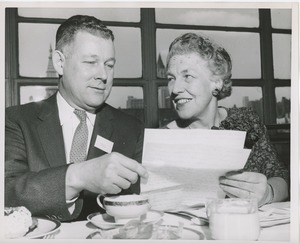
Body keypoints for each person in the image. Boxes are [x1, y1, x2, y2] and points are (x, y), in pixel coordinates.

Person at [5, 15, 148, 222]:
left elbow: (140, 203)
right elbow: (7, 192)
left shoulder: (131, 129)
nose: (103, 75)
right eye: (91, 62)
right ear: (59, 62)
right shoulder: (16, 120)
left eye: (109, 65)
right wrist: (78, 176)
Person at [164, 32, 289, 206]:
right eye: (171, 78)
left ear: (217, 82)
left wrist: (268, 192)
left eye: (187, 76)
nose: (175, 88)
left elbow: (281, 176)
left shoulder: (246, 122)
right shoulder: (164, 139)